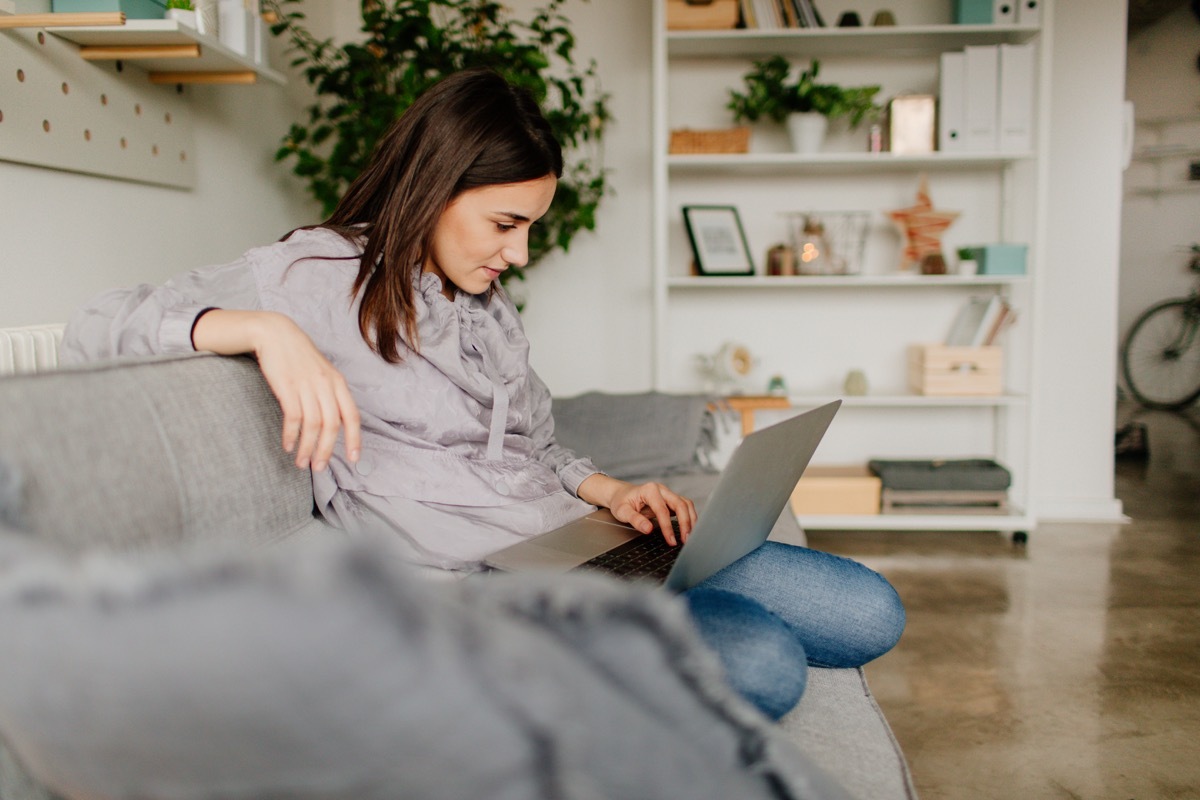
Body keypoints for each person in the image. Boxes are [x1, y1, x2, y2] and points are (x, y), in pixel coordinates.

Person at [62, 68, 904, 721]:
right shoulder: (308, 278)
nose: (522, 253)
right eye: (507, 224)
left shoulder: (484, 304)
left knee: (869, 613)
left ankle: (662, 605)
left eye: (530, 226)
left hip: (575, 537)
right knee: (762, 664)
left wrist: (610, 491)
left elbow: (536, 443)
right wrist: (259, 330)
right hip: (483, 584)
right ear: (435, 186)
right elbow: (96, 324)